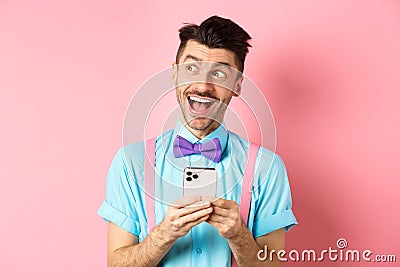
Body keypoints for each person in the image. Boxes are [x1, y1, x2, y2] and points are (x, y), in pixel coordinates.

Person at [98, 15, 297, 267]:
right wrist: (164, 234)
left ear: (237, 85)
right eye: (191, 69)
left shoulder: (267, 168)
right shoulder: (130, 162)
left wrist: (238, 235)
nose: (203, 86)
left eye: (220, 74)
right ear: (175, 74)